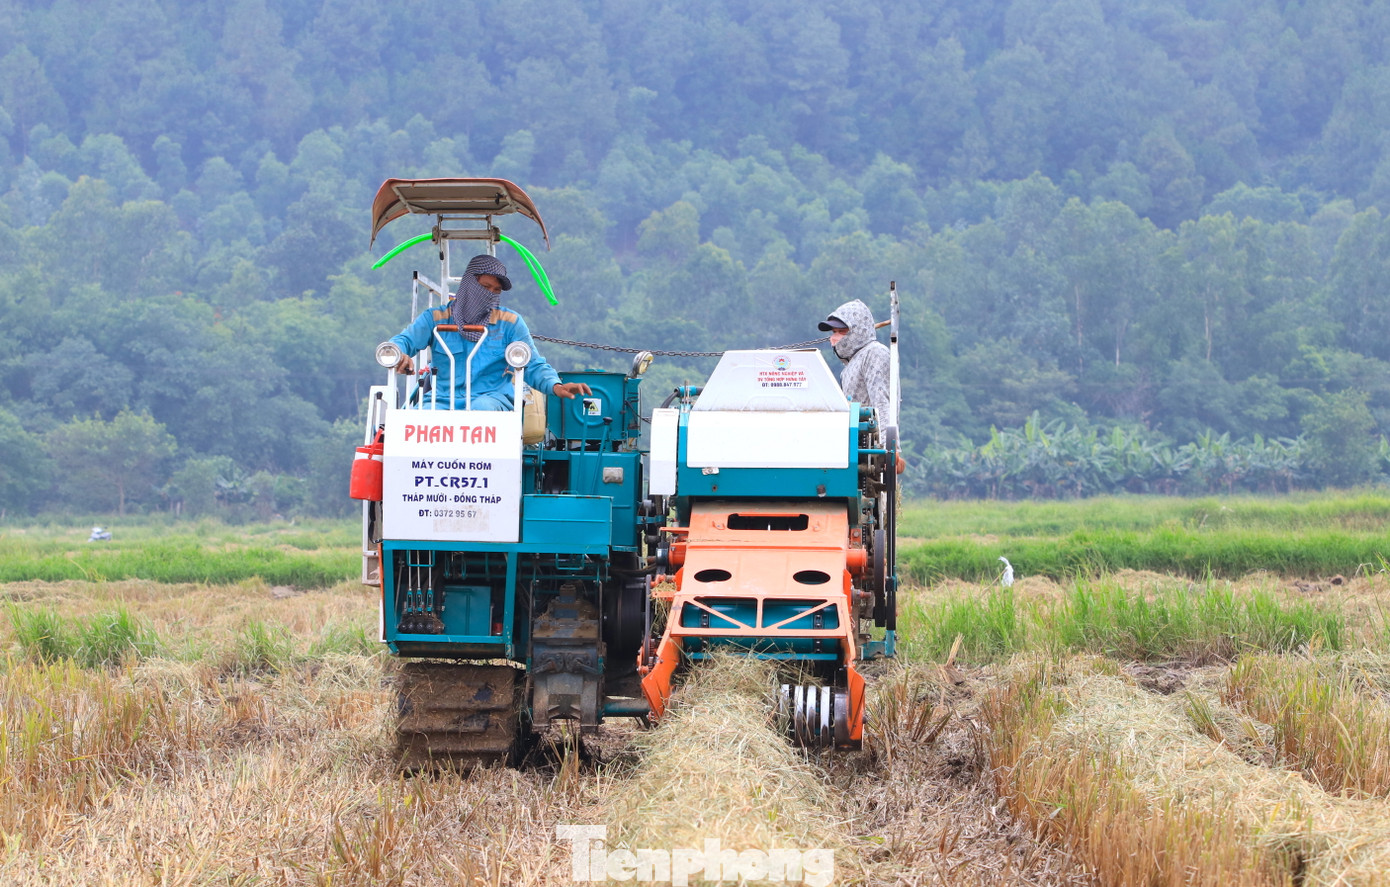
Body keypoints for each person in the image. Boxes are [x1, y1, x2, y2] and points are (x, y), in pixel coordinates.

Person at [389, 254, 590, 410]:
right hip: (443, 399)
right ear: (468, 284)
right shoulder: (435, 319)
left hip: (491, 399)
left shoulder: (510, 323)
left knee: (480, 408)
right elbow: (404, 340)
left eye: (496, 291)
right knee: (419, 415)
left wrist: (556, 386)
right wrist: (399, 355)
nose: (489, 294)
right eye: (485, 286)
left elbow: (533, 365)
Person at [819, 299, 904, 473]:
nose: (835, 337)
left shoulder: (874, 353)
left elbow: (882, 402)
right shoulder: (850, 365)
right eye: (834, 332)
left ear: (858, 332)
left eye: (842, 331)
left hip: (871, 451)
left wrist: (888, 448)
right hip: (853, 449)